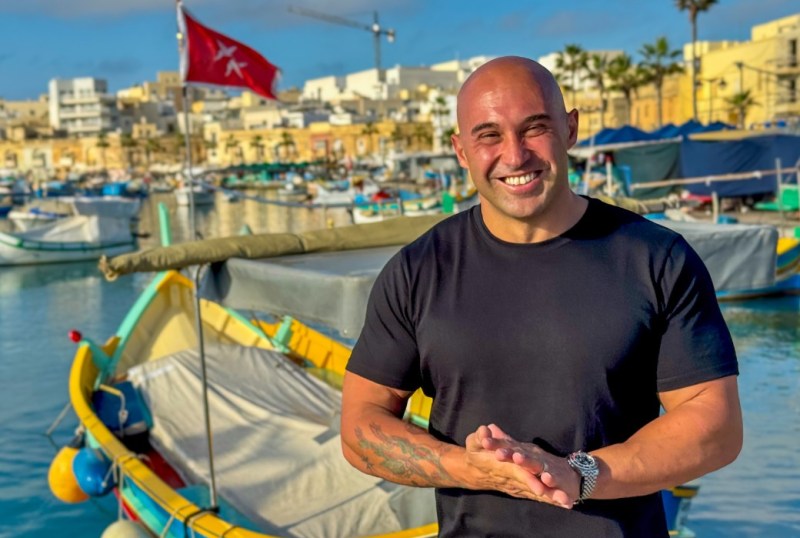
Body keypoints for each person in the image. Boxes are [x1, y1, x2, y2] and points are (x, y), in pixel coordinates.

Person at [340, 56, 742, 537]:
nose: (514, 155)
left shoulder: (656, 259)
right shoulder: (418, 271)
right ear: (461, 151)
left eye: (534, 128)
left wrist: (578, 475)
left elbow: (715, 424)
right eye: (488, 135)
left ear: (570, 129)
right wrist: (469, 468)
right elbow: (360, 426)